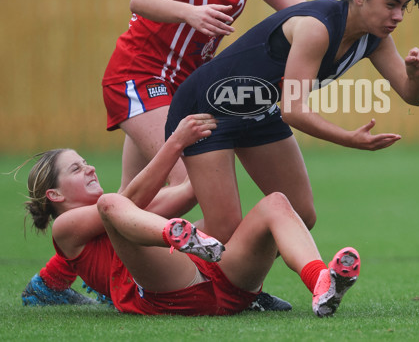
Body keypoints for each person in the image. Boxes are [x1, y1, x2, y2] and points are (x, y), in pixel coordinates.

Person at [22, 0, 304, 310]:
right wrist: (190, 13)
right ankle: (230, 284)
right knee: (188, 187)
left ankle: (55, 281)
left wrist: (343, 26)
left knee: (134, 197)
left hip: (184, 86)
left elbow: (297, 11)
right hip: (141, 77)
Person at [165, 0, 419, 244]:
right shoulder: (317, 28)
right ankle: (142, 258)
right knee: (222, 228)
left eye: (403, 7)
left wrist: (416, 76)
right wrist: (349, 139)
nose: (398, 16)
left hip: (257, 110)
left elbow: (412, 95)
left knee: (300, 215)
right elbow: (293, 109)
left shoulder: (375, 39)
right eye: (391, 4)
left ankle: (242, 286)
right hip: (208, 108)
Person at [23, 114, 361, 317]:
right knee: (112, 204)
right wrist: (175, 141)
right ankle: (178, 236)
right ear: (55, 195)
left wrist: (226, 134)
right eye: (76, 167)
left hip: (226, 285)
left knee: (275, 202)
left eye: (86, 161)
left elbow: (186, 191)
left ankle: (321, 281)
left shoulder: (127, 209)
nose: (90, 166)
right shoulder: (66, 228)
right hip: (165, 291)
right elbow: (127, 201)